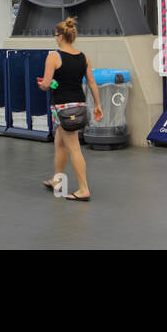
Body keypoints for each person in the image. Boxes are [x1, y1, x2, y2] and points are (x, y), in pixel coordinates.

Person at [36, 17, 101, 201]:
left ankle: (83, 188)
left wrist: (42, 84)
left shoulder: (53, 57)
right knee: (60, 143)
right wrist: (97, 105)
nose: (55, 38)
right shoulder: (83, 57)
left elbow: (47, 84)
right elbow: (92, 83)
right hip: (79, 105)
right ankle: (57, 180)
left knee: (74, 148)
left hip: (63, 108)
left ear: (61, 37)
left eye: (56, 35)